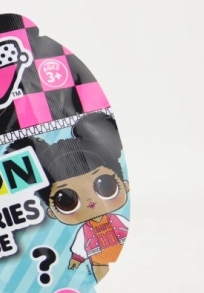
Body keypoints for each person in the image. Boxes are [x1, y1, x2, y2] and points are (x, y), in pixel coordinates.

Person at [7, 112, 130, 282]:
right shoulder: (86, 231)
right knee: (101, 270)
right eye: (66, 201)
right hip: (98, 258)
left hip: (125, 252)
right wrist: (77, 259)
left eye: (105, 186)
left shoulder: (120, 221)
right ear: (52, 211)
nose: (90, 202)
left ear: (125, 185)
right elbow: (80, 245)